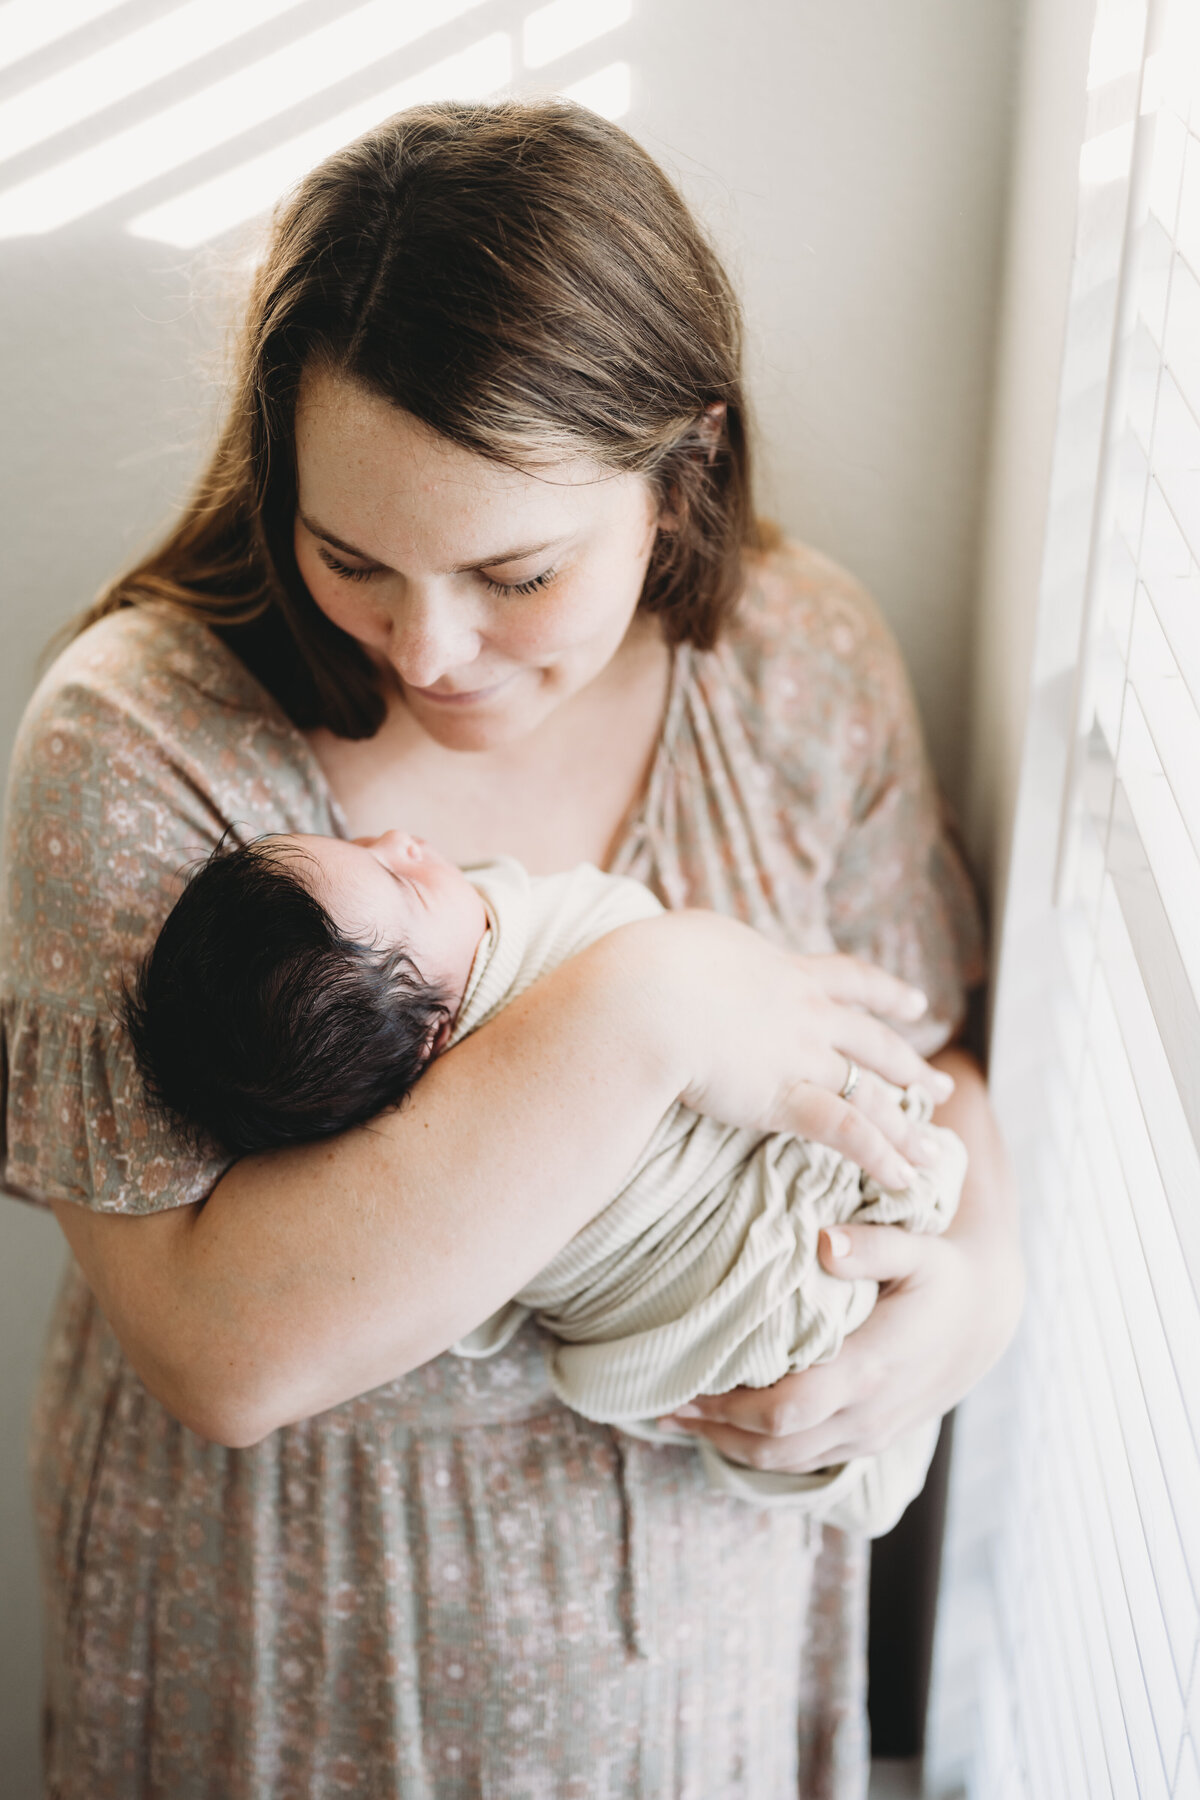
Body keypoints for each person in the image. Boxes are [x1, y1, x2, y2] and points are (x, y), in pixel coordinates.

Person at [0, 99, 1021, 1799]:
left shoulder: (796, 668)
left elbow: (932, 1078)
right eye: (354, 558)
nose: (432, 645)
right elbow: (225, 1352)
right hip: (282, 1654)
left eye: (516, 569)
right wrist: (646, 1004)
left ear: (678, 467)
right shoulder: (141, 750)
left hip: (689, 1661)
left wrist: (980, 1294)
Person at [121, 830, 969, 1535]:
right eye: (396, 876)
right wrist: (646, 998)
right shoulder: (521, 970)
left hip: (811, 1314)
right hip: (759, 1281)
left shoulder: (378, 987)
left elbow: (960, 1056)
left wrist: (987, 1283)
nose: (402, 840)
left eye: (361, 845)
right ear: (434, 1040)